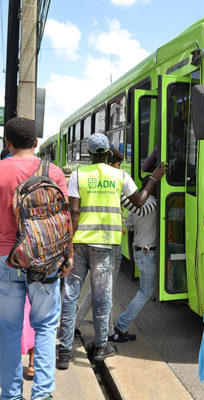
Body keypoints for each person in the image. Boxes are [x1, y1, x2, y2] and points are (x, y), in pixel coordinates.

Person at [57, 133, 165, 368]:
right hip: (105, 244)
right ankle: (100, 347)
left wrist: (69, 245)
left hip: (80, 241)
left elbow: (73, 212)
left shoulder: (78, 174)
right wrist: (153, 179)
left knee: (70, 296)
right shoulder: (120, 175)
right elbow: (139, 202)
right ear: (107, 153)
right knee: (103, 297)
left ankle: (64, 352)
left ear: (88, 153)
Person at [0, 117, 72, 400]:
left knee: (8, 330)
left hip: (6, 258)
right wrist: (67, 257)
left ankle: (10, 395)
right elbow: (64, 221)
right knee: (44, 327)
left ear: (7, 143)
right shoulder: (52, 171)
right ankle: (42, 395)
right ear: (36, 143)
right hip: (45, 260)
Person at [74, 147, 155, 335]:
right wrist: (153, 181)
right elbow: (140, 209)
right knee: (104, 289)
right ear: (109, 164)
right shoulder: (113, 183)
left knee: (98, 288)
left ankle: (78, 325)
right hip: (108, 242)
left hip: (90, 239)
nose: (119, 169)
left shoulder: (90, 180)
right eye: (118, 165)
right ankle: (106, 333)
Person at [109, 175, 158, 342]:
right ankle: (121, 325)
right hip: (148, 252)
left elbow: (129, 225)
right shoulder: (155, 204)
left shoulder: (139, 206)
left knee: (146, 290)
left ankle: (121, 324)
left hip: (139, 251)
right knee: (145, 292)